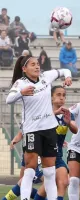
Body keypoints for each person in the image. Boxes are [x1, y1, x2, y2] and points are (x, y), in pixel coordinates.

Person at [6, 55, 72, 200]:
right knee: (29, 170)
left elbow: (65, 70)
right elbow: (8, 99)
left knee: (50, 173)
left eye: (37, 64)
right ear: (24, 69)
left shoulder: (46, 77)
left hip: (49, 130)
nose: (37, 67)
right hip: (32, 130)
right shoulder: (20, 83)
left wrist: (68, 77)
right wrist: (21, 93)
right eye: (33, 65)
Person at [34, 85, 78, 200]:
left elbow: (75, 129)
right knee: (49, 184)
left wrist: (68, 123)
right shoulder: (45, 112)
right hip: (43, 156)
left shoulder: (67, 114)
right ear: (51, 98)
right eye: (58, 95)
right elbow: (36, 125)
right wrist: (54, 113)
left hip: (57, 157)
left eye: (64, 95)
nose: (61, 98)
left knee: (63, 182)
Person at [2, 131, 41, 200]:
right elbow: (21, 132)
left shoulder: (46, 129)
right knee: (22, 183)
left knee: (51, 180)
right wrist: (14, 140)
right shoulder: (29, 136)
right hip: (34, 169)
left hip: (44, 168)